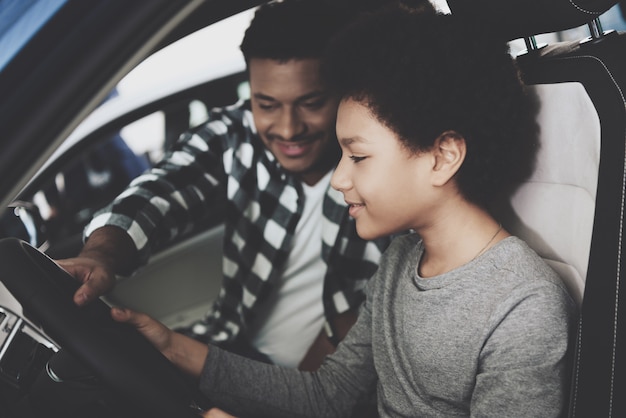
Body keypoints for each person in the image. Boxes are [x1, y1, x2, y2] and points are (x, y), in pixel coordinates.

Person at [112, 4, 578, 417]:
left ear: (442, 157)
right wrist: (170, 346)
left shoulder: (523, 307)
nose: (338, 179)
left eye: (357, 156)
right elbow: (328, 396)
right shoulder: (401, 260)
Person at [56, 0, 396, 372]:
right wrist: (100, 256)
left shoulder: (385, 176)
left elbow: (348, 346)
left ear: (345, 91)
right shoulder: (236, 131)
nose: (287, 128)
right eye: (266, 104)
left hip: (300, 385)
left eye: (311, 103)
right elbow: (158, 192)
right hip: (220, 342)